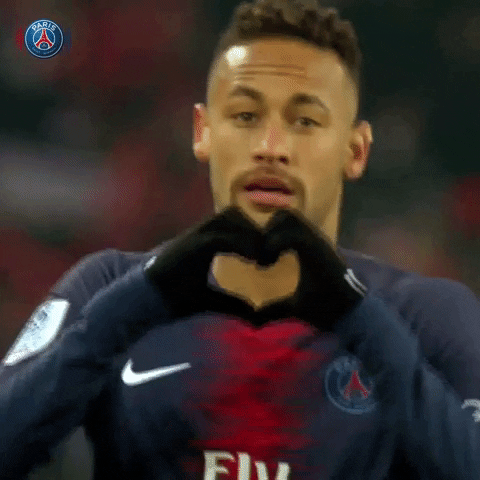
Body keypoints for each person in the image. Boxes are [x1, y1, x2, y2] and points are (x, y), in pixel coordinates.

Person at [2, 1, 480, 479]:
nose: (270, 148)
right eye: (246, 116)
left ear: (355, 151)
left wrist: (359, 318)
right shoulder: (109, 286)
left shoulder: (425, 314)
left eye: (305, 121)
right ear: (203, 133)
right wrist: (130, 306)